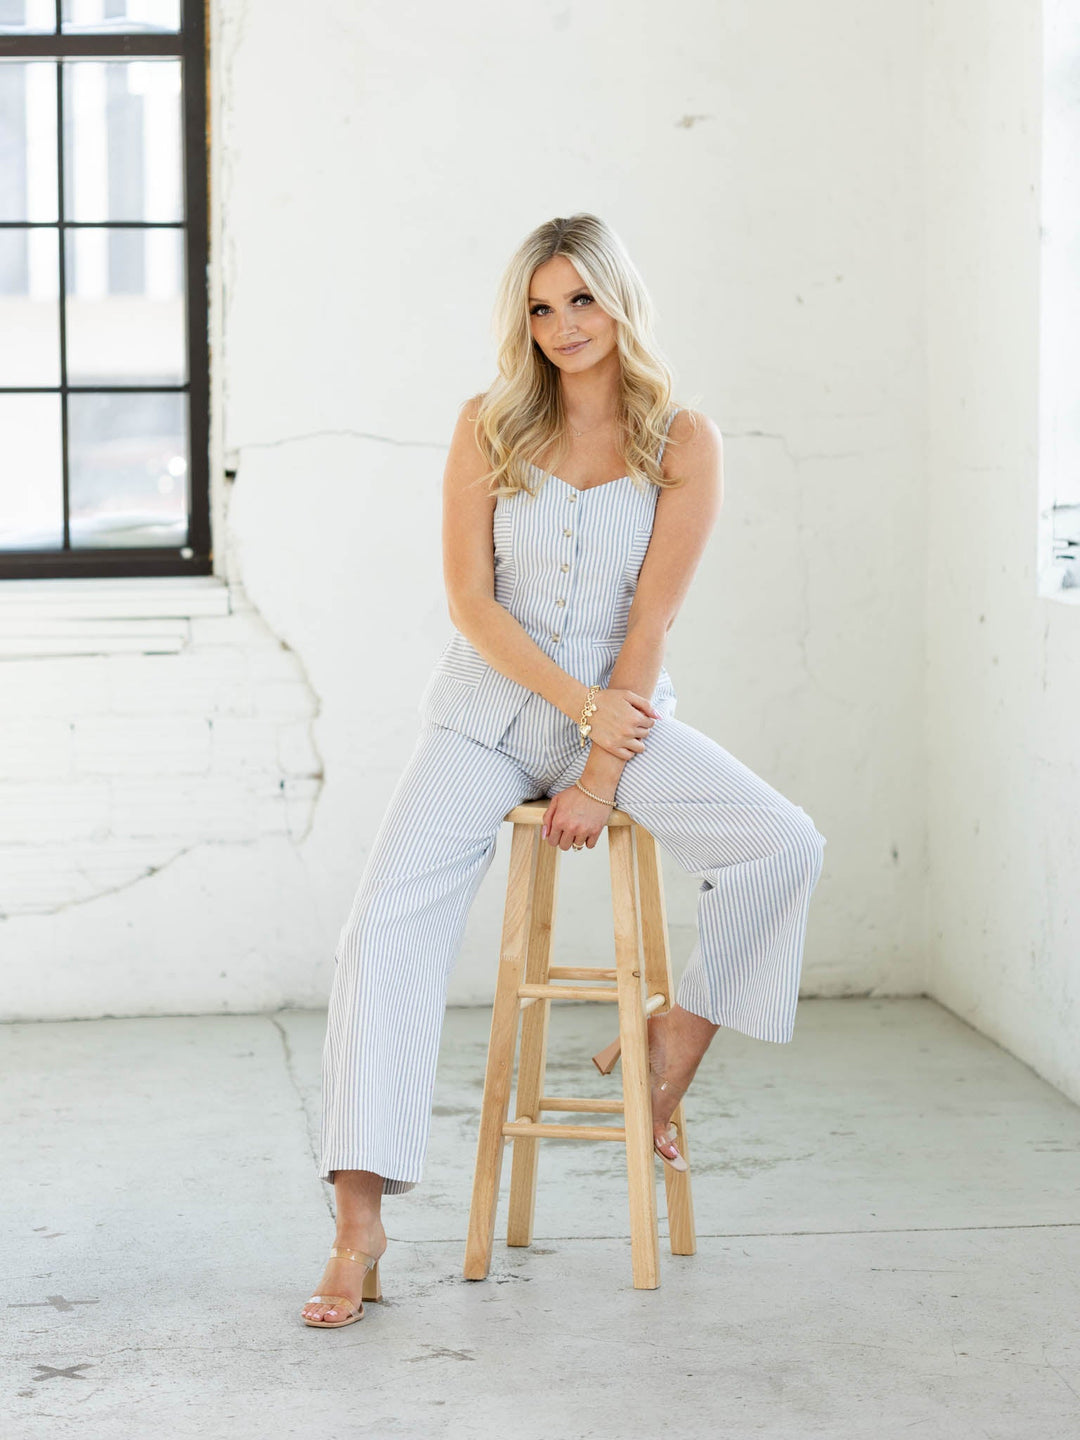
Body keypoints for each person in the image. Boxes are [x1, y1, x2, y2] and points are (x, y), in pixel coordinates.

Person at [301, 212, 826, 1327]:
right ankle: (357, 1223)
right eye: (541, 308)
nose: (563, 326)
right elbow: (472, 605)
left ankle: (670, 1048)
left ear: (619, 299)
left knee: (783, 843)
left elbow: (652, 623)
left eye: (581, 299)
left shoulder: (683, 440)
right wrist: (575, 714)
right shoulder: (487, 424)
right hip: (486, 717)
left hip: (623, 718)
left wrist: (598, 767)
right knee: (383, 926)